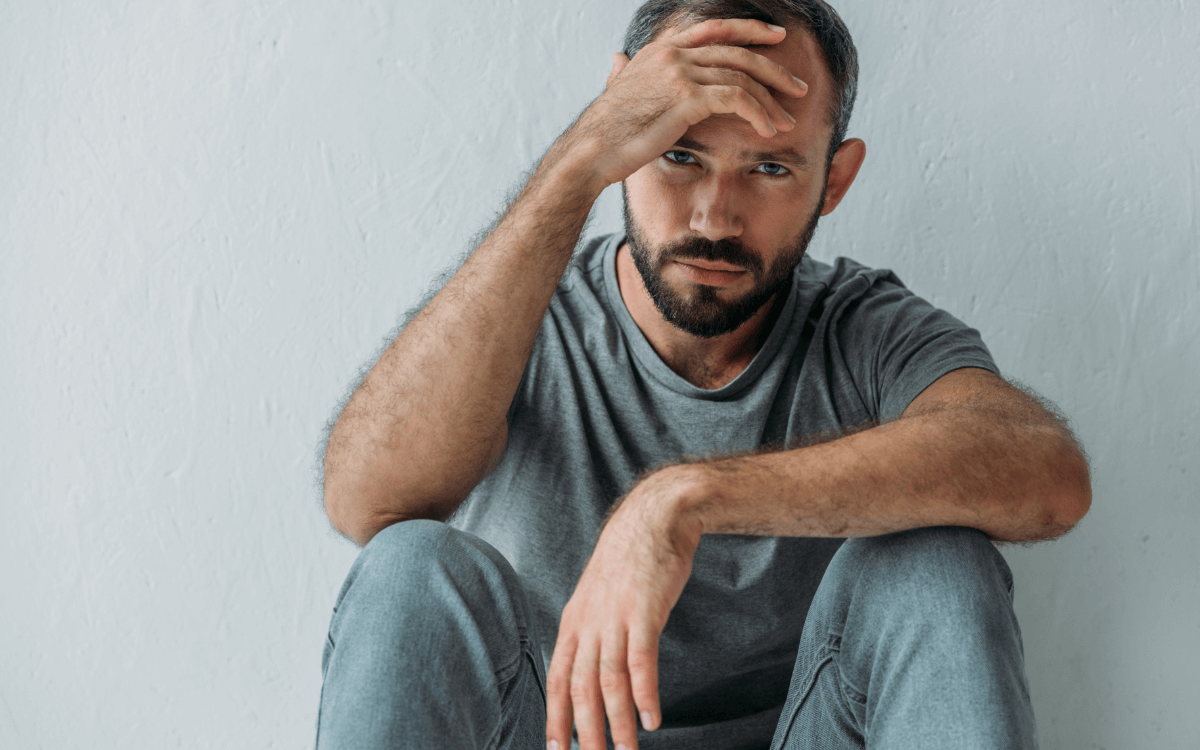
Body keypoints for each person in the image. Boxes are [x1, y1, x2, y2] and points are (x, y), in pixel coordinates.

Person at [315, 0, 1091, 748]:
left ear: (834, 179)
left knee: (937, 563)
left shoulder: (861, 328)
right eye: (679, 154)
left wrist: (682, 500)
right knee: (413, 568)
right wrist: (582, 158)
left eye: (770, 168)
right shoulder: (520, 319)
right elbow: (364, 503)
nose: (714, 217)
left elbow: (1046, 474)